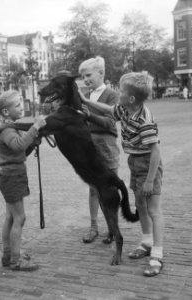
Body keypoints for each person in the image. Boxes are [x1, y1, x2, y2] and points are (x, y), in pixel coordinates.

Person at [79, 71, 164, 277]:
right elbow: (108, 109)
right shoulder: (125, 110)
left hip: (148, 164)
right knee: (141, 205)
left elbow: (156, 152)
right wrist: (85, 102)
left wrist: (150, 180)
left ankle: (157, 255)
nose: (118, 92)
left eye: (121, 90)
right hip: (135, 161)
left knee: (153, 209)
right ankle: (146, 242)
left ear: (131, 98)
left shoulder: (144, 120)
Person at [0, 90, 46, 271]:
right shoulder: (7, 129)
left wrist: (32, 142)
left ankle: (8, 255)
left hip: (12, 175)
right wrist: (35, 127)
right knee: (19, 218)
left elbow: (19, 151)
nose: (21, 108)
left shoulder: (9, 128)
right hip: (12, 176)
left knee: (10, 217)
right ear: (6, 112)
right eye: (17, 105)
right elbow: (19, 145)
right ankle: (16, 260)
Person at [78, 56, 120, 244]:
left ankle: (112, 227)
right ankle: (94, 226)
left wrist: (89, 116)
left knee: (109, 189)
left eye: (88, 75)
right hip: (91, 148)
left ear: (101, 73)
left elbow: (111, 123)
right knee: (94, 189)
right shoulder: (85, 97)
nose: (86, 79)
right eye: (83, 77)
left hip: (107, 148)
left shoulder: (111, 95)